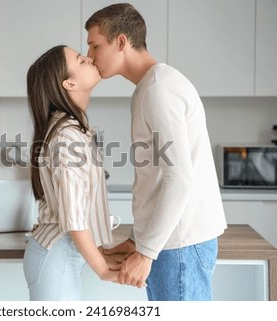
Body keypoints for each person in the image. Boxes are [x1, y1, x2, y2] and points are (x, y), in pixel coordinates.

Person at [84, 3, 227, 301]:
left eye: (95, 45)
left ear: (121, 42)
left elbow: (179, 179)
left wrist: (146, 253)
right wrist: (139, 239)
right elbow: (158, 178)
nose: (90, 56)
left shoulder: (159, 90)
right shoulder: (151, 87)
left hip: (179, 247)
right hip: (172, 244)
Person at [23, 45, 118, 300]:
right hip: (56, 256)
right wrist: (104, 271)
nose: (89, 58)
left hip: (57, 256)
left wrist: (102, 252)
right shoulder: (68, 138)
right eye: (81, 60)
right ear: (69, 84)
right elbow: (74, 218)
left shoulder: (71, 129)